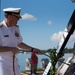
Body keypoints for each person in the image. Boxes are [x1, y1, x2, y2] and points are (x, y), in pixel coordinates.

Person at [0, 7, 41, 75]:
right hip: (3, 65)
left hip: (15, 64)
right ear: (10, 17)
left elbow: (19, 43)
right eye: (16, 17)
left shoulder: (16, 28)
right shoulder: (0, 29)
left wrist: (33, 49)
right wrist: (11, 49)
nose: (18, 19)